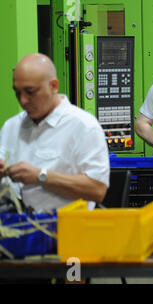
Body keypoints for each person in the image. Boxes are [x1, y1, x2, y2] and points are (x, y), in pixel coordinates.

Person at [0, 53, 110, 212]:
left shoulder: (83, 127)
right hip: (17, 227)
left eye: (30, 92)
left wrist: (41, 176)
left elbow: (97, 190)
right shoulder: (12, 126)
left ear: (53, 86)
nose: (23, 100)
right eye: (18, 92)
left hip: (67, 230)